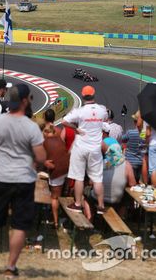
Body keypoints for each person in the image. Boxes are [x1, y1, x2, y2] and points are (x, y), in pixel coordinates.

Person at [0, 84, 46, 277]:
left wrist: (2, 153)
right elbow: (41, 157)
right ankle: (11, 268)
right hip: (24, 180)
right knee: (19, 225)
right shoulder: (32, 126)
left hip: (2, 177)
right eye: (29, 98)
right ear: (23, 101)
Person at [62, 85, 108, 214]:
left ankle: (77, 204)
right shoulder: (102, 110)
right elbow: (104, 118)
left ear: (82, 96)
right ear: (94, 95)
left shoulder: (79, 111)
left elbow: (64, 121)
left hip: (81, 146)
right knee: (97, 178)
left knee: (78, 177)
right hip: (95, 148)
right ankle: (101, 205)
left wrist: (76, 128)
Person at [42, 109, 69, 229]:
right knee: (60, 193)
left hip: (55, 167)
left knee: (55, 196)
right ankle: (58, 214)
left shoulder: (43, 134)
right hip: (65, 166)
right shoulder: (59, 132)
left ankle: (56, 222)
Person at [122, 113, 146, 183]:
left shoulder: (130, 132)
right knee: (138, 183)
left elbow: (122, 138)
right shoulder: (143, 134)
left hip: (130, 163)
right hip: (140, 163)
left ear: (135, 122)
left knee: (130, 184)